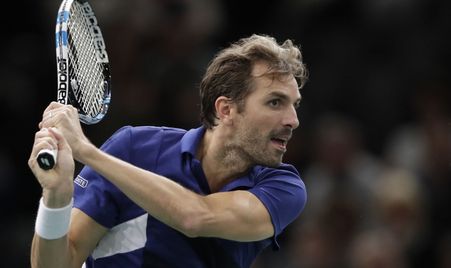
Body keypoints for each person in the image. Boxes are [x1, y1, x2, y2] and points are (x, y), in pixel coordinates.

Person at [28, 34, 308, 268]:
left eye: (294, 105)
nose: (293, 121)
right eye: (275, 102)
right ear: (226, 110)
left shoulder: (283, 188)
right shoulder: (134, 149)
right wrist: (57, 196)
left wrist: (87, 152)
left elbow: (195, 217)